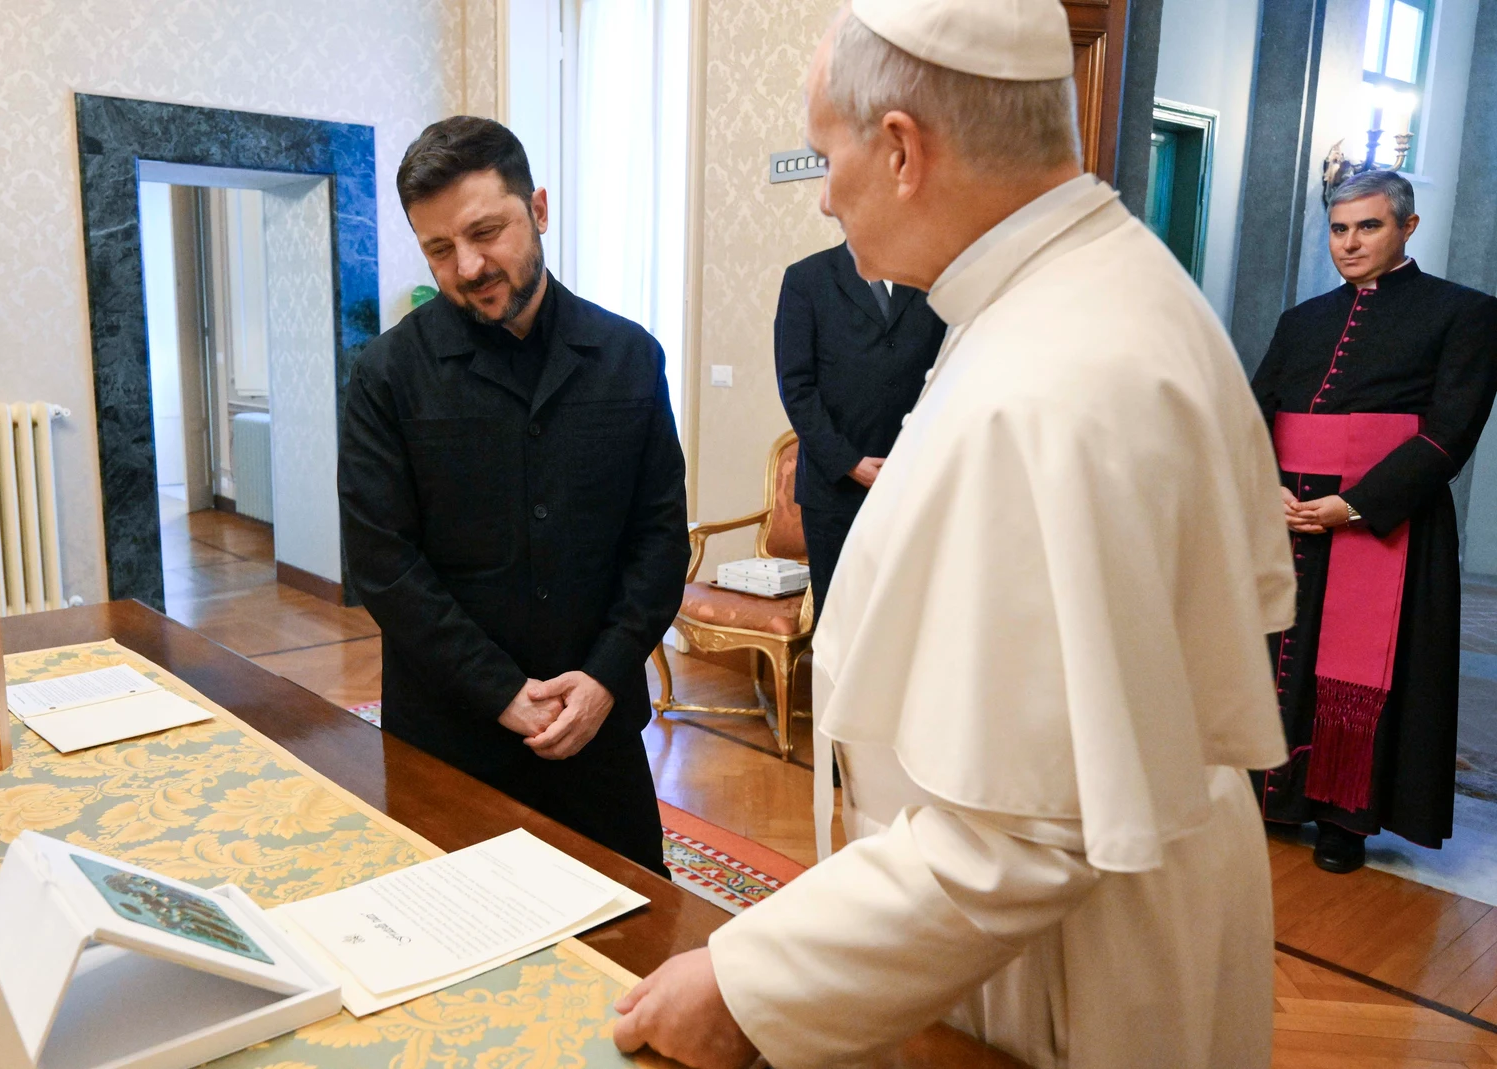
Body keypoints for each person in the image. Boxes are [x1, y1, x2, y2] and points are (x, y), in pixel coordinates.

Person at [612, 1, 1294, 1066]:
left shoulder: (1052, 376)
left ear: (898, 150)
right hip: (1084, 913)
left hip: (1063, 967)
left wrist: (747, 983)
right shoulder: (1091, 291)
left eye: (823, 151)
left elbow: (1020, 832)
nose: (824, 189)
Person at [338, 116, 689, 875]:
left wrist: (601, 677)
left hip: (599, 735)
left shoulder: (629, 358)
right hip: (449, 733)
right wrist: (502, 692)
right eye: (439, 249)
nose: (467, 265)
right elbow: (383, 564)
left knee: (630, 944)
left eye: (485, 231)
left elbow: (660, 539)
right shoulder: (386, 376)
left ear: (538, 208)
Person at [1251, 169, 1497, 875]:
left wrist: (1354, 503)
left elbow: (1450, 432)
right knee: (1275, 658)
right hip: (1290, 514)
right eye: (1338, 229)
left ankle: (1341, 817)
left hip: (1385, 523)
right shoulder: (1302, 320)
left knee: (1362, 670)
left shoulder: (1464, 313)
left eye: (1368, 227)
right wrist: (1266, 487)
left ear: (1407, 228)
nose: (1350, 243)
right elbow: (1251, 414)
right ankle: (1274, 795)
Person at [775, 243, 946, 613]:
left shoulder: (929, 273)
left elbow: (947, 373)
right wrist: (850, 462)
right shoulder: (806, 278)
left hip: (914, 482)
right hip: (833, 489)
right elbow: (796, 387)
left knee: (907, 617)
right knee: (840, 618)